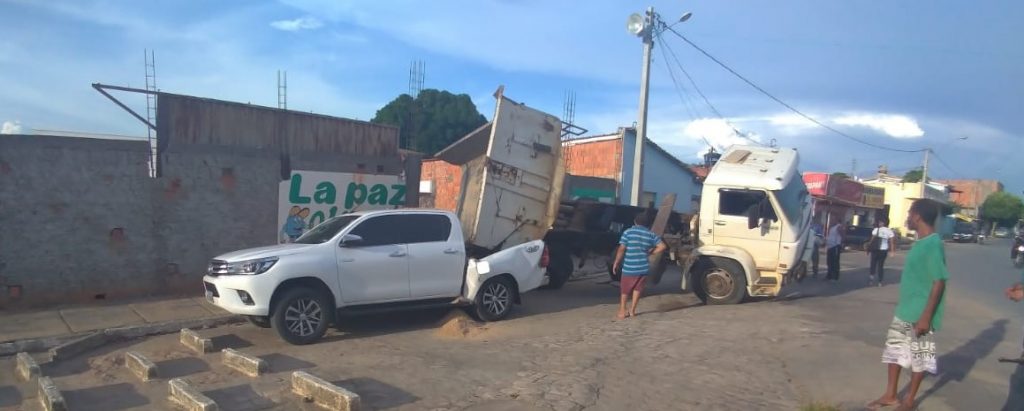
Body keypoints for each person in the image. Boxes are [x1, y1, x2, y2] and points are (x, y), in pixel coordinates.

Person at [868, 200, 949, 411]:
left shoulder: (933, 244)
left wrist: (926, 316)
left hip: (920, 314)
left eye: (909, 213)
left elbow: (938, 281)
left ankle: (909, 401)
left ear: (918, 216)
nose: (907, 217)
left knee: (919, 358)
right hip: (905, 311)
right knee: (894, 352)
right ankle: (891, 395)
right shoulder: (920, 242)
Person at [612, 213, 667, 320]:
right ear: (647, 224)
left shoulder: (628, 232)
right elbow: (662, 246)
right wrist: (651, 252)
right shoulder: (650, 234)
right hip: (643, 267)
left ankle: (622, 311)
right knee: (637, 289)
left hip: (629, 267)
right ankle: (632, 310)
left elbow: (621, 249)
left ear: (635, 222)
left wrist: (616, 262)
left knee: (625, 290)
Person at [868, 219, 897, 286]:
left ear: (882, 223)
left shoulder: (876, 230)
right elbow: (891, 242)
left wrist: (869, 248)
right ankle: (880, 282)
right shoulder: (890, 231)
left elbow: (872, 240)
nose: (879, 223)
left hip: (875, 249)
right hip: (884, 250)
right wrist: (892, 251)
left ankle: (871, 279)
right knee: (880, 266)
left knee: (873, 264)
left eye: (880, 222)